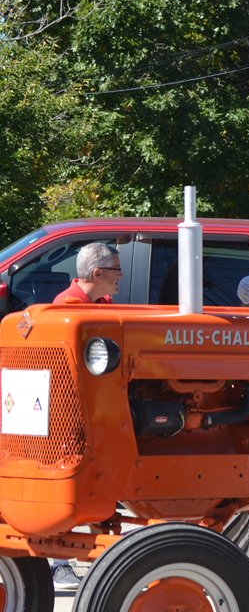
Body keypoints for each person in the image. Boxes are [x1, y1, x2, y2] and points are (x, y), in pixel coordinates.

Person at [48, 242, 126, 589]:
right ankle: (58, 564)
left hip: (95, 414)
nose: (120, 276)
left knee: (103, 484)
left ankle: (104, 559)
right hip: (69, 416)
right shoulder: (67, 309)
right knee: (71, 486)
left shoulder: (102, 305)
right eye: (116, 270)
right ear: (98, 273)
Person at [54, 241, 121, 305]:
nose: (121, 275)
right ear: (98, 274)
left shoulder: (105, 302)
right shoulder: (66, 305)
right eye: (117, 269)